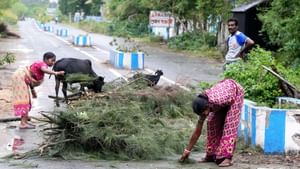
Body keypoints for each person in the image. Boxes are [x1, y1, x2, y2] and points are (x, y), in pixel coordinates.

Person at [179, 79, 244, 167]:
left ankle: (227, 158)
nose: (204, 115)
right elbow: (197, 131)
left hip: (235, 94)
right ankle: (211, 155)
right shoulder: (205, 105)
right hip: (224, 95)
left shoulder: (218, 100)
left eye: (204, 113)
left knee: (229, 126)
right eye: (202, 114)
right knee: (211, 123)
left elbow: (229, 106)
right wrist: (187, 150)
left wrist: (226, 114)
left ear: (208, 105)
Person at [11, 52, 64, 129]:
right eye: (52, 60)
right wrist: (56, 73)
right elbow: (44, 70)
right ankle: (23, 124)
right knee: (24, 101)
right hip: (20, 78)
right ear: (46, 59)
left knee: (27, 101)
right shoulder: (42, 64)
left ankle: (25, 122)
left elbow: (30, 80)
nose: (53, 62)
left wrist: (33, 91)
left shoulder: (41, 65)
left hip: (23, 79)